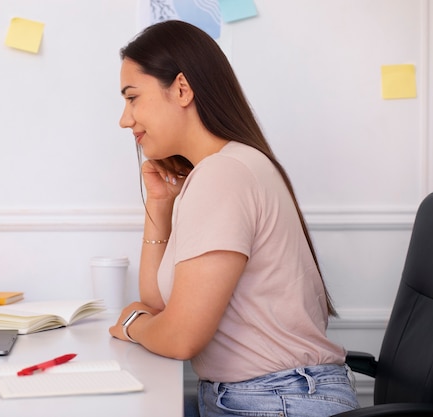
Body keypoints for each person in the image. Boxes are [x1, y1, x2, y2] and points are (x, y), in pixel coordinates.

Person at [108, 20, 360, 417]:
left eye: (132, 97)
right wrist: (160, 204)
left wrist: (132, 326)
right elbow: (160, 301)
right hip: (264, 395)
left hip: (278, 400)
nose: (125, 119)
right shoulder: (224, 167)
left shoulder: (223, 175)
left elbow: (179, 337)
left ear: (181, 89)